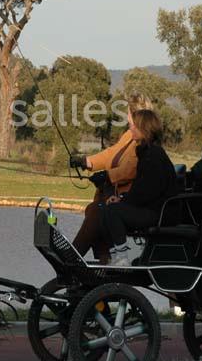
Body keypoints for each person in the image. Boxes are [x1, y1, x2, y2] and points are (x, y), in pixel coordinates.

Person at [73, 109, 178, 265]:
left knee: (112, 210)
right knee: (104, 209)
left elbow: (146, 192)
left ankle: (121, 257)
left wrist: (122, 200)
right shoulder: (147, 152)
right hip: (150, 208)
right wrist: (121, 198)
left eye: (134, 126)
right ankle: (109, 255)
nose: (131, 129)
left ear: (145, 129)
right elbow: (139, 188)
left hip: (158, 212)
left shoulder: (153, 156)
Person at [68, 94, 153, 262]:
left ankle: (71, 257)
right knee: (93, 209)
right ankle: (104, 259)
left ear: (135, 115)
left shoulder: (143, 139)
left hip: (126, 197)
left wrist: (107, 175)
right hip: (110, 194)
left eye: (128, 113)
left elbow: (131, 169)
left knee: (97, 211)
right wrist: (87, 161)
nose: (127, 117)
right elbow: (111, 154)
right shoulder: (130, 135)